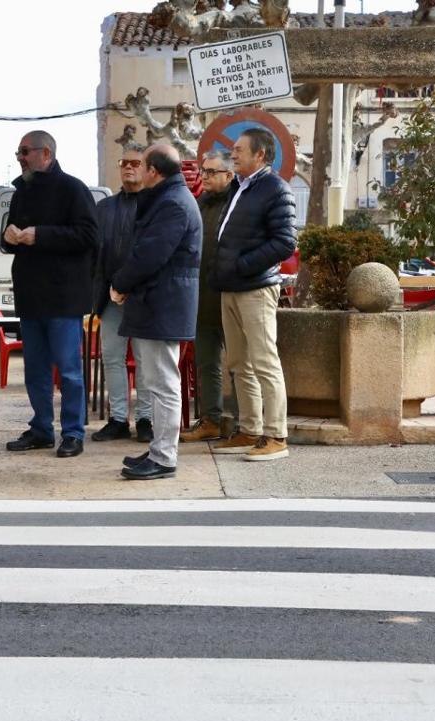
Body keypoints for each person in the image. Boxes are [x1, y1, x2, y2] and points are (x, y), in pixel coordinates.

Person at [1, 130, 98, 459]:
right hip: (30, 296)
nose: (20, 157)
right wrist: (10, 236)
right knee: (35, 370)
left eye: (25, 151)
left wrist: (38, 236)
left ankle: (72, 432)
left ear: (46, 153)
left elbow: (87, 235)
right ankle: (42, 429)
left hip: (63, 297)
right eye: (18, 152)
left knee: (69, 370)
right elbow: (9, 237)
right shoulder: (21, 191)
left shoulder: (73, 189)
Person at [111, 144, 201, 480]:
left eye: (142, 164)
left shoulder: (174, 204)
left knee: (163, 383)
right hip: (157, 303)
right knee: (157, 381)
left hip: (162, 303)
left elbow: (151, 254)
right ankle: (158, 450)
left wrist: (120, 284)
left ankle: (164, 456)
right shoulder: (170, 199)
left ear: (153, 171)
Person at [211, 128, 297, 462]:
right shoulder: (239, 187)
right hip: (231, 287)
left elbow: (285, 241)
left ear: (260, 155)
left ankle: (276, 435)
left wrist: (243, 265)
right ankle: (249, 429)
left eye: (239, 149)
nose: (233, 154)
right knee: (238, 363)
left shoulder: (275, 189)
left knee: (264, 362)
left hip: (256, 288)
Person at [91, 143, 152, 444]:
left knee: (144, 359)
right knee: (112, 357)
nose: (129, 167)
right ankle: (117, 419)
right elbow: (95, 254)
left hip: (143, 297)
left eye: (135, 163)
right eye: (124, 162)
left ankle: (145, 419)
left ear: (146, 168)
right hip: (110, 297)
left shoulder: (155, 205)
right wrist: (104, 290)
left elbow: (154, 252)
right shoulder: (104, 208)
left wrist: (130, 285)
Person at [181, 149, 239, 443]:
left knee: (239, 366)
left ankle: (242, 423)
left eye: (211, 172)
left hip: (232, 297)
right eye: (203, 171)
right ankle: (211, 420)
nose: (204, 177)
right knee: (206, 364)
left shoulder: (239, 204)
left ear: (229, 175)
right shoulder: (197, 204)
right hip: (201, 297)